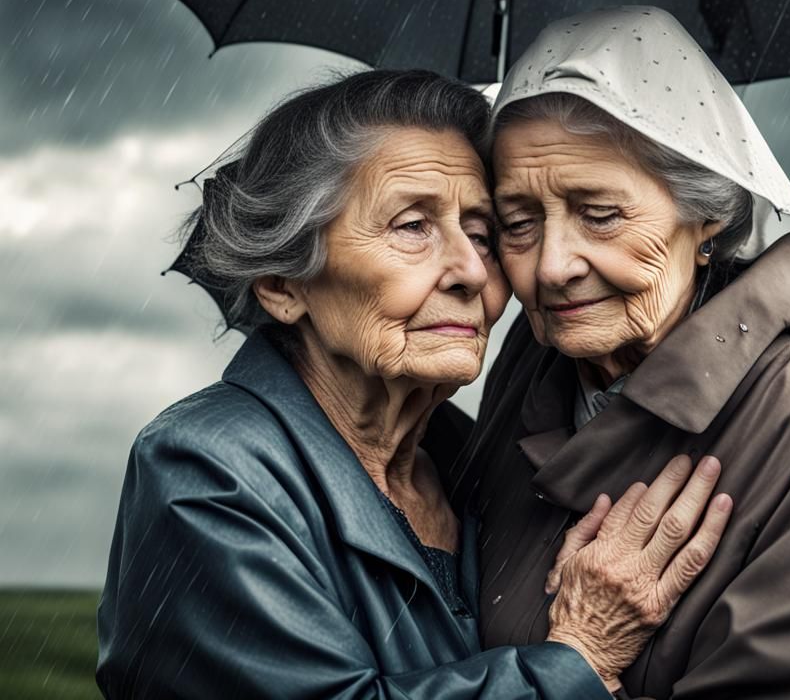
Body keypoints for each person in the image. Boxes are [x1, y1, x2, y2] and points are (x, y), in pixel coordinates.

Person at [96, 68, 733, 700]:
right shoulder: (207, 471)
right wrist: (578, 658)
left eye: (485, 234)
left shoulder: (471, 462)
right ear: (283, 285)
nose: (468, 270)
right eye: (412, 226)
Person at [453, 6, 790, 699]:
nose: (551, 267)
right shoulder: (536, 358)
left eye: (599, 214)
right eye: (518, 224)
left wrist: (576, 671)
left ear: (706, 216)